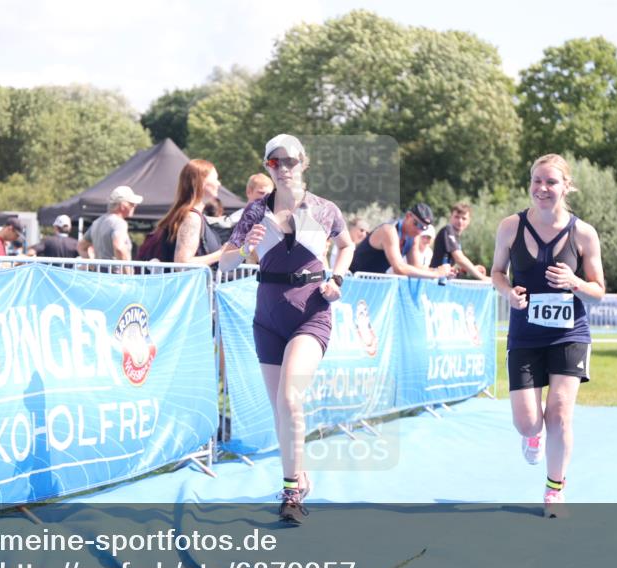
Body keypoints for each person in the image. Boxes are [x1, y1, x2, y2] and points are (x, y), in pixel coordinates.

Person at [219, 134, 354, 524]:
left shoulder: (325, 209)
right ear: (268, 167)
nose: (284, 168)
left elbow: (346, 246)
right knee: (280, 406)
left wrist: (338, 280)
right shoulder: (254, 212)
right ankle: (299, 473)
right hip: (268, 316)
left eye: (290, 160)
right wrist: (245, 249)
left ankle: (291, 491)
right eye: (275, 162)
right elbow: (226, 264)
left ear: (304, 162)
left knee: (291, 399)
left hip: (311, 310)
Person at [490, 154, 605, 519]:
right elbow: (496, 272)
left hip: (569, 334)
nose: (542, 188)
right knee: (528, 422)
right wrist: (507, 292)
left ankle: (554, 489)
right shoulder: (511, 227)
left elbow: (599, 289)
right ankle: (533, 436)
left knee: (560, 414)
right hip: (524, 334)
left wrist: (574, 283)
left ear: (566, 187)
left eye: (551, 182)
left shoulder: (583, 233)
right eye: (537, 181)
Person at [349, 203, 454, 280]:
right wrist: (436, 274)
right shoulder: (389, 230)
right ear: (408, 216)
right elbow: (399, 268)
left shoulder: (414, 237)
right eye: (416, 224)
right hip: (352, 280)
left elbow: (417, 268)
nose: (419, 230)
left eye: (424, 228)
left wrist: (441, 271)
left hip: (369, 283)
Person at [152, 159, 224, 266]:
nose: (219, 183)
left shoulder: (189, 215)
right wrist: (221, 254)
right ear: (201, 181)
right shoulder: (191, 218)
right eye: (215, 178)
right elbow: (182, 263)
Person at [79, 186, 143, 267]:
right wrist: (127, 274)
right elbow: (119, 248)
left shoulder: (97, 222)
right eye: (132, 204)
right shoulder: (119, 223)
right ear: (123, 205)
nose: (135, 206)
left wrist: (92, 266)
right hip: (114, 275)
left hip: (99, 274)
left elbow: (81, 246)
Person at [430, 202, 490, 281]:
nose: (460, 221)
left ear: (469, 221)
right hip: (434, 281)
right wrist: (482, 277)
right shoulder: (448, 230)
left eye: (464, 218)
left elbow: (451, 267)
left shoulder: (455, 237)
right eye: (457, 217)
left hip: (441, 282)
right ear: (451, 217)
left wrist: (467, 269)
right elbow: (459, 258)